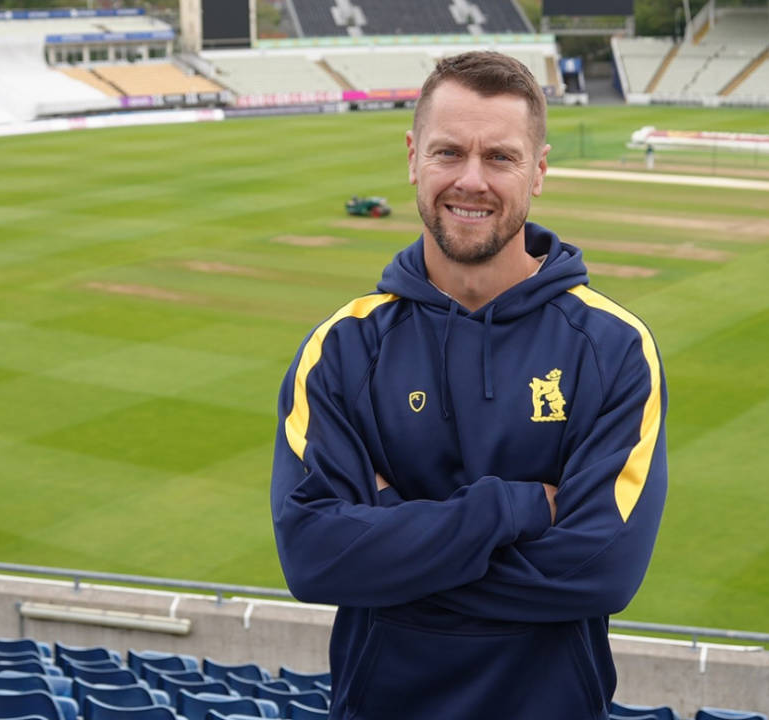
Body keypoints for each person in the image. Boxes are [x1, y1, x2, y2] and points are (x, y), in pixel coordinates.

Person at [271, 51, 668, 720]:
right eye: (449, 152)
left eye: (502, 158)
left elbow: (601, 571)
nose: (472, 181)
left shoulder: (615, 349)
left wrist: (392, 537)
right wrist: (523, 511)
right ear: (412, 157)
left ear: (539, 169)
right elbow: (313, 559)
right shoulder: (339, 350)